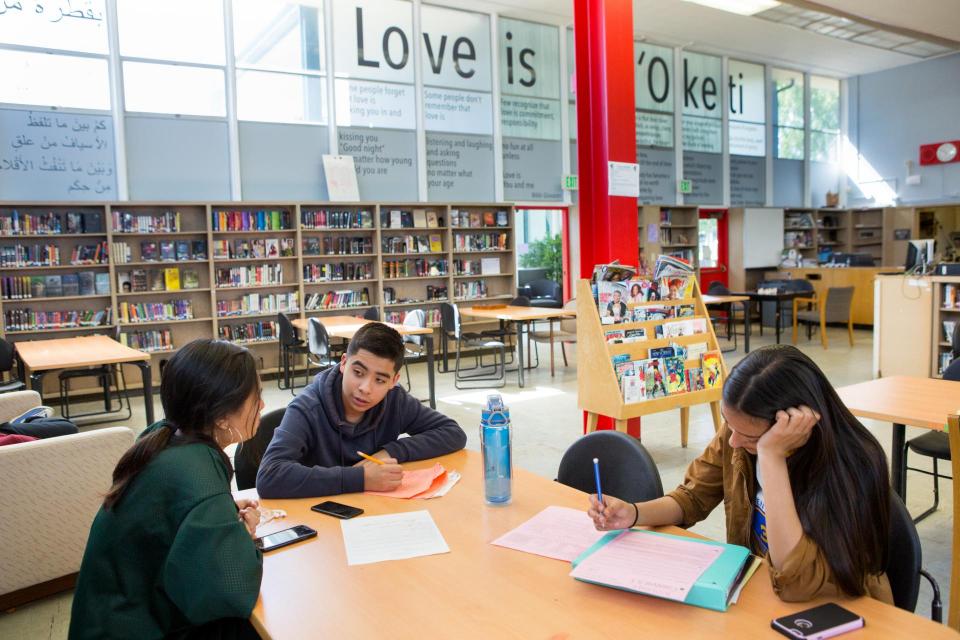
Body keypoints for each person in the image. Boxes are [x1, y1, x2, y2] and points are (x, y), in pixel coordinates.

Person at [588, 345, 893, 603]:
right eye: (729, 425)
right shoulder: (741, 430)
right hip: (757, 591)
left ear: (792, 424)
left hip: (832, 608)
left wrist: (771, 458)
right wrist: (632, 514)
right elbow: (692, 497)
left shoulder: (855, 463)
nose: (733, 441)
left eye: (749, 437)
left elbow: (796, 581)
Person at [69, 340, 265, 640]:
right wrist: (243, 539)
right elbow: (230, 594)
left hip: (107, 617)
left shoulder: (165, 437)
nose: (262, 406)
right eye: (257, 397)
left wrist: (221, 518)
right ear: (222, 416)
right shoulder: (197, 470)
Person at [256, 322, 467, 498]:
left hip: (375, 511)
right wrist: (361, 478)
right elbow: (269, 476)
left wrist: (390, 452)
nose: (365, 388)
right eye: (358, 372)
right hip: (322, 519)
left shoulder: (395, 400)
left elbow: (453, 433)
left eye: (379, 380)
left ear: (394, 381)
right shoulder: (307, 407)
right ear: (343, 364)